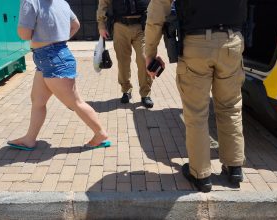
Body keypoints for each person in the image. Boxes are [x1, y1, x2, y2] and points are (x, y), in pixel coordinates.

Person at [145, 0, 247, 192]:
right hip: (232, 42)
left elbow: (157, 11)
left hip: (196, 45)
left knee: (196, 114)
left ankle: (201, 175)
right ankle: (234, 167)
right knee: (230, 108)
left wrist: (149, 52)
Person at [7, 0, 110, 151]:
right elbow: (76, 25)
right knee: (38, 101)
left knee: (75, 102)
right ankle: (29, 139)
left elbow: (24, 34)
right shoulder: (61, 2)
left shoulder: (30, 2)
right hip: (49, 58)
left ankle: (101, 134)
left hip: (52, 59)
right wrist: (58, 39)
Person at [97, 0, 154, 108]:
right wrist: (101, 25)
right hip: (120, 27)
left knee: (143, 59)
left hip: (141, 26)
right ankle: (126, 90)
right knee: (123, 61)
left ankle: (145, 94)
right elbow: (103, 4)